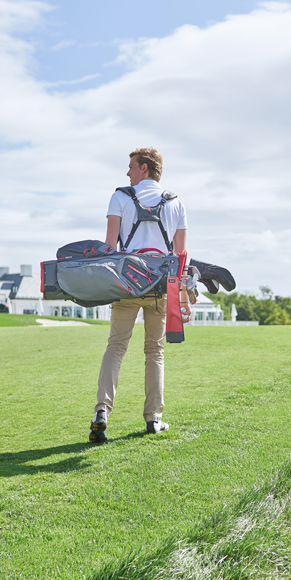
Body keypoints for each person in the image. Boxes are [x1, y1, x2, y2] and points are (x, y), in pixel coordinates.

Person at [90, 148, 188, 442]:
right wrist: (182, 296)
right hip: (160, 286)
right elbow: (181, 255)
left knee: (116, 347)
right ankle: (153, 419)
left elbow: (110, 247)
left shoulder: (119, 197)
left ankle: (101, 412)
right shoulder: (176, 203)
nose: (128, 173)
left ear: (144, 168)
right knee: (154, 352)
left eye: (131, 167)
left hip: (127, 282)